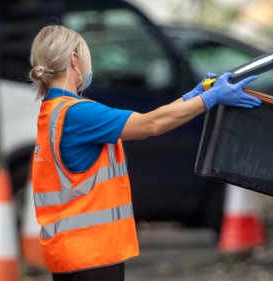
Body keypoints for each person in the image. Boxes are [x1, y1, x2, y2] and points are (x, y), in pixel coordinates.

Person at [29, 25, 261, 281]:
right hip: (93, 254)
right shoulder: (79, 114)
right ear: (74, 59)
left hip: (68, 254)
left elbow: (151, 119)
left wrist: (192, 97)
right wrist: (210, 99)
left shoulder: (53, 112)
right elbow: (151, 125)